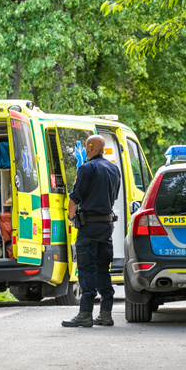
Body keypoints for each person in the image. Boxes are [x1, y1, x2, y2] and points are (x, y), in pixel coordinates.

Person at [62, 135, 121, 328]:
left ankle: (85, 314)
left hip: (88, 227)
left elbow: (75, 198)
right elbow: (113, 196)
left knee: (86, 268)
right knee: (103, 268)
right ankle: (106, 314)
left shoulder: (87, 168)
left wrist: (71, 217)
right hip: (106, 226)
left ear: (89, 148)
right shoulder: (113, 169)